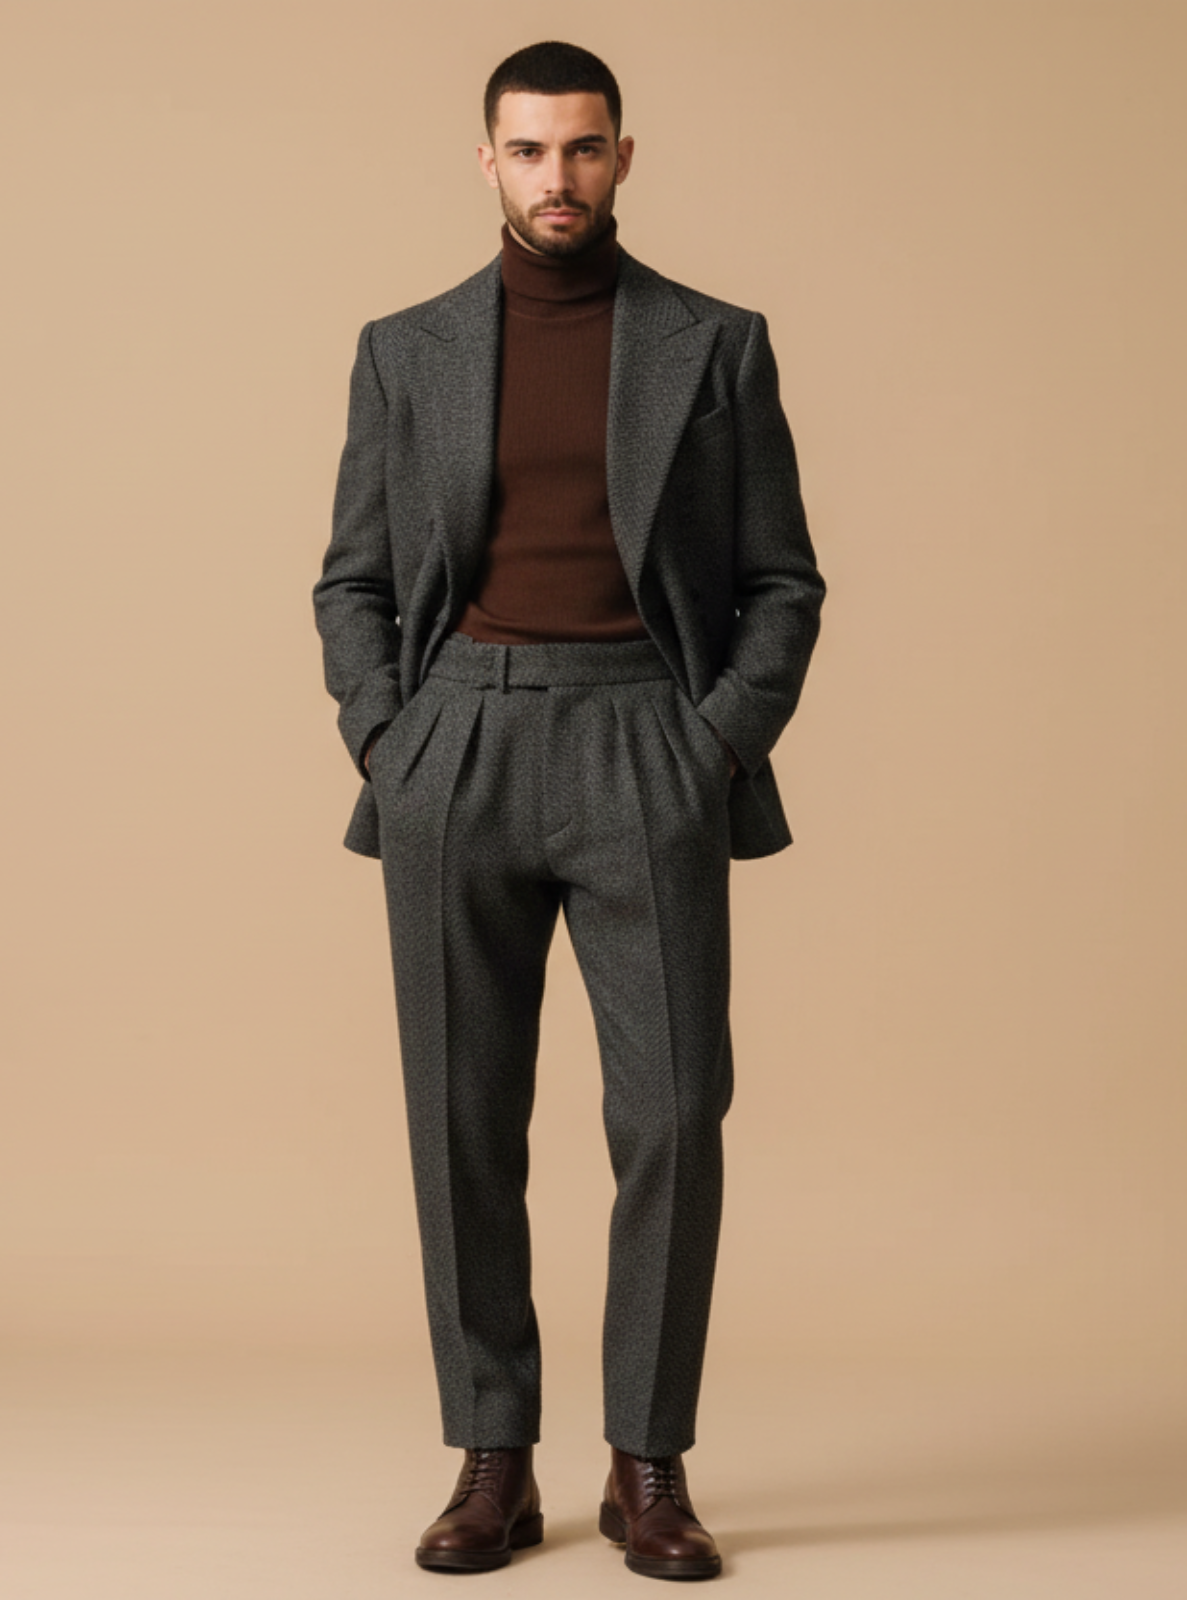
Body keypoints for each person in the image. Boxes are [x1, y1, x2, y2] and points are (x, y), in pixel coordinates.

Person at [313, 39, 825, 1581]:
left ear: (622, 155)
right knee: (458, 1123)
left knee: (671, 1115)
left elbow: (781, 579)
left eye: (582, 149)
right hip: (453, 743)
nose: (557, 179)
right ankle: (491, 1460)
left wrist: (716, 743)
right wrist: (385, 739)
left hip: (640, 746)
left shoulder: (712, 344)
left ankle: (646, 1467)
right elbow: (348, 578)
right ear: (486, 160)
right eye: (528, 151)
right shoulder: (405, 350)